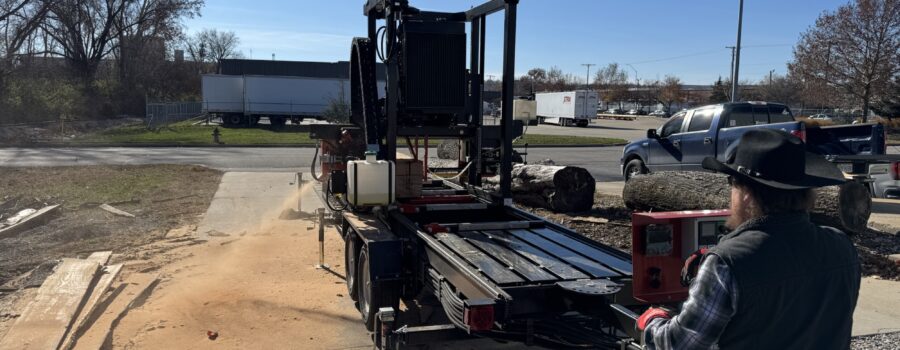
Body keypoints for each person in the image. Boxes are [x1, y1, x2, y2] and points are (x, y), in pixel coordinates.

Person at [637, 129, 861, 349]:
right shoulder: (842, 246)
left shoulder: (726, 264)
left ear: (745, 194)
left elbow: (679, 344)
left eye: (732, 184)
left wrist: (653, 320)